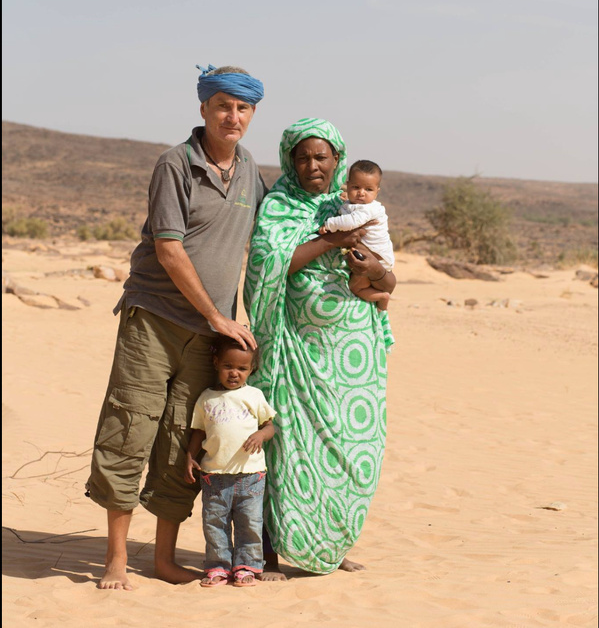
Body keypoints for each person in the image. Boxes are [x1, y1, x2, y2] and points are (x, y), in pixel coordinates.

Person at [85, 64, 266, 590]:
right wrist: (217, 315)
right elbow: (168, 249)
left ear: (252, 114)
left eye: (243, 108)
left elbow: (269, 236)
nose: (232, 117)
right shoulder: (175, 164)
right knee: (129, 428)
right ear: (204, 108)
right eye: (223, 106)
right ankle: (116, 558)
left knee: (183, 441)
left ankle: (163, 560)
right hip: (155, 320)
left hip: (209, 337)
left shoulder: (252, 170)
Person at [243, 118, 395, 579]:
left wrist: (374, 267)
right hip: (294, 352)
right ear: (291, 161)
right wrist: (331, 239)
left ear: (337, 161)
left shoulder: (355, 203)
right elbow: (271, 265)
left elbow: (388, 277)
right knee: (284, 447)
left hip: (353, 354)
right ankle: (267, 555)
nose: (313, 165)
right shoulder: (279, 207)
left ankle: (332, 544)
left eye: (322, 157)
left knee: (353, 448)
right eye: (303, 156)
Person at [184, 335, 276, 588]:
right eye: (228, 366)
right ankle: (218, 567)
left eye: (242, 368)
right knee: (215, 524)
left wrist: (261, 434)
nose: (234, 373)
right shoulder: (206, 398)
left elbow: (270, 427)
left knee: (250, 523)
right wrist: (191, 458)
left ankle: (247, 566)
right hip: (214, 476)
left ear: (251, 370)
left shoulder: (254, 395)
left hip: (251, 476)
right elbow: (199, 432)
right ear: (216, 364)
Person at [319, 159, 395, 311]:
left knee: (355, 287)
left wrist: (329, 224)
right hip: (372, 255)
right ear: (348, 186)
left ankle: (382, 298)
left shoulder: (369, 209)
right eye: (356, 187)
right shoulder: (356, 204)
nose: (361, 193)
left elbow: (351, 221)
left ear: (377, 192)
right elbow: (349, 210)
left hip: (377, 258)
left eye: (368, 189)